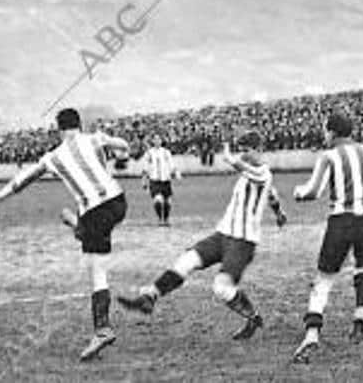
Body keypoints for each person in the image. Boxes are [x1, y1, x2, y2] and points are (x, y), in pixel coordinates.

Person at [0, 108, 131, 362]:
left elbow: (23, 180)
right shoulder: (94, 138)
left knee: (96, 269)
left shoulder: (53, 156)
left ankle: (102, 330)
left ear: (59, 129)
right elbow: (123, 146)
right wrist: (117, 146)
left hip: (94, 211)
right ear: (79, 125)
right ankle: (77, 224)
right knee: (91, 236)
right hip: (118, 202)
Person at [116, 131, 287, 339]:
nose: (242, 154)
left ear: (259, 150)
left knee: (221, 288)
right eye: (240, 149)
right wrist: (279, 213)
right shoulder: (249, 174)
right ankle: (150, 297)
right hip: (222, 234)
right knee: (186, 260)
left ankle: (253, 317)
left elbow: (260, 178)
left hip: (243, 241)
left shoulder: (263, 173)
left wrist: (231, 159)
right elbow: (272, 195)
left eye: (246, 150)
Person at [290, 112, 363, 365]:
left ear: (332, 132)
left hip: (342, 219)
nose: (323, 136)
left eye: (325, 131)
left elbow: (314, 192)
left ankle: (312, 333)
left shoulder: (329, 156)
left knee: (325, 276)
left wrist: (298, 193)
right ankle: (359, 319)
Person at [140, 135, 180, 226]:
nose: (157, 141)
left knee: (167, 202)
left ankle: (166, 219)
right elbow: (145, 168)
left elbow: (172, 165)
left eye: (159, 139)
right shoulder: (149, 153)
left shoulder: (166, 152)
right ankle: (160, 218)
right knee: (158, 200)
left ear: (161, 141)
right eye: (155, 139)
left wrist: (176, 173)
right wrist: (144, 180)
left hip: (166, 180)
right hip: (154, 181)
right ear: (153, 141)